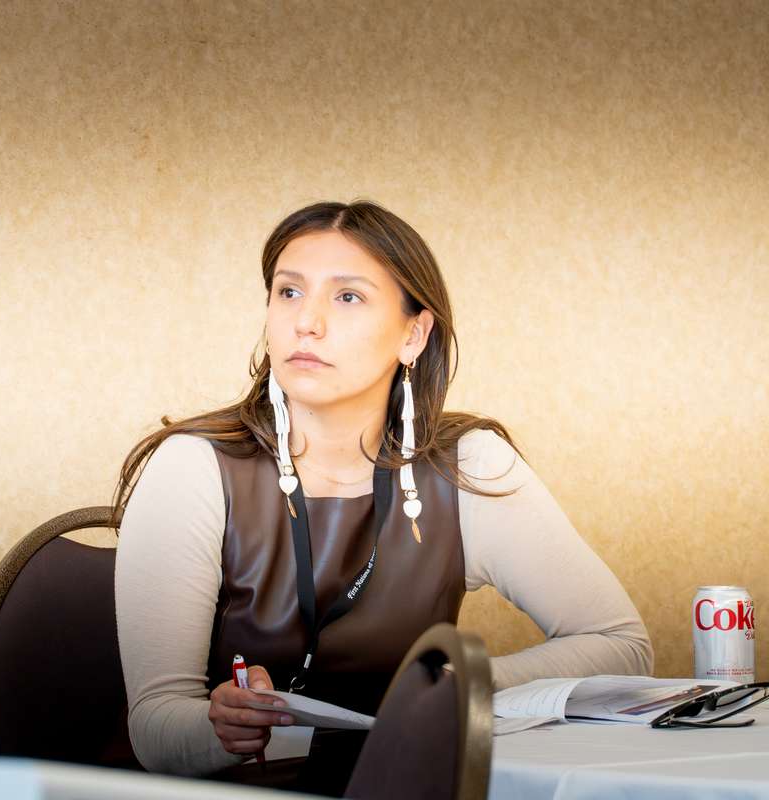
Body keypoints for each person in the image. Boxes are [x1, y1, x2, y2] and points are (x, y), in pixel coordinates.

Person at [113, 200, 652, 789]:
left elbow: (621, 645)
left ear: (413, 335)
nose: (306, 322)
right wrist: (219, 729)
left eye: (347, 297)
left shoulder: (467, 464)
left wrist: (451, 690)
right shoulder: (193, 466)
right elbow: (155, 727)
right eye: (289, 292)